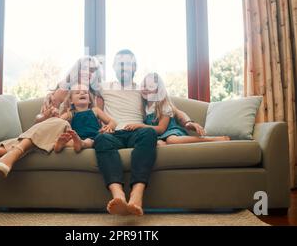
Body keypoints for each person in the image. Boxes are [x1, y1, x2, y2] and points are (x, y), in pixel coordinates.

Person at [0, 56, 105, 177]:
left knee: (59, 124)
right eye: (85, 69)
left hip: (69, 136)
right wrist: (47, 115)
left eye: (93, 71)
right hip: (50, 132)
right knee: (56, 123)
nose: (88, 73)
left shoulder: (96, 98)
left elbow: (96, 126)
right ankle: (6, 155)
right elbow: (40, 121)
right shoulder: (61, 92)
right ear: (76, 71)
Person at [93, 50, 158, 217]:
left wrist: (188, 121)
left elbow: (167, 104)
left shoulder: (143, 90)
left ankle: (136, 196)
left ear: (134, 67)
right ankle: (118, 196)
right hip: (113, 133)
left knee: (149, 133)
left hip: (137, 132)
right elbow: (77, 89)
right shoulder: (103, 88)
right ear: (114, 67)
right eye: (120, 64)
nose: (124, 67)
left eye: (127, 63)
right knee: (101, 139)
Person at [124, 73, 230, 146]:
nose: (146, 88)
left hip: (171, 132)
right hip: (158, 136)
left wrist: (140, 126)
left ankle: (211, 139)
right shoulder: (144, 107)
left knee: (171, 140)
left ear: (158, 90)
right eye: (144, 85)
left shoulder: (163, 106)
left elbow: (161, 129)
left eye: (150, 86)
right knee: (157, 144)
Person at [53, 83, 116, 153]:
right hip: (76, 137)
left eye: (85, 92)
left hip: (94, 137)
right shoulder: (70, 114)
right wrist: (55, 116)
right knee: (69, 141)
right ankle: (58, 145)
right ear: (71, 101)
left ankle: (81, 144)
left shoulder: (95, 110)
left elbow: (113, 122)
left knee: (89, 141)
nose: (82, 93)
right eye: (77, 93)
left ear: (89, 100)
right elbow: (57, 123)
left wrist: (109, 126)